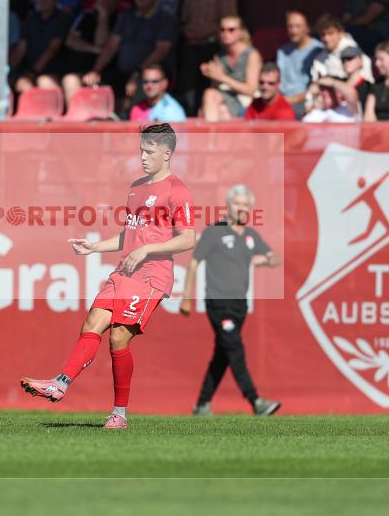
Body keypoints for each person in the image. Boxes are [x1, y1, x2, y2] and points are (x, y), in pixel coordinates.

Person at [20, 123, 196, 429]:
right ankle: (60, 383)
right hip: (125, 270)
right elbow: (130, 234)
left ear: (167, 154)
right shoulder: (136, 187)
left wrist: (147, 250)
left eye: (150, 151)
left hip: (151, 275)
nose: (143, 156)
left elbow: (187, 239)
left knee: (117, 337)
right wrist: (94, 247)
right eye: (141, 150)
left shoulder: (177, 191)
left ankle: (120, 414)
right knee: (92, 322)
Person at [180, 184, 282, 417]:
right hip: (218, 302)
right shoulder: (214, 232)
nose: (242, 208)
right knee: (235, 348)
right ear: (228, 205)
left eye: (246, 205)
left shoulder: (250, 236)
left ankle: (202, 404)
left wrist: (263, 260)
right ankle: (256, 401)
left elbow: (274, 258)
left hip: (239, 305)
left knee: (223, 354)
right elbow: (194, 262)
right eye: (238, 203)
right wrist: (187, 296)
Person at [83, 0, 177, 116]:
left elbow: (161, 50)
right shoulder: (126, 17)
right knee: (95, 88)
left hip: (149, 75)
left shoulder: (165, 19)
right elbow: (111, 46)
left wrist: (138, 73)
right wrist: (96, 70)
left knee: (133, 98)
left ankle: (127, 126)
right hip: (123, 73)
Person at [178, 0, 238, 112]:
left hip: (212, 45)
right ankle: (188, 105)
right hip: (191, 44)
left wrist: (201, 35)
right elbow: (184, 18)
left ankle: (200, 107)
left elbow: (230, 23)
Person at [61, 0, 121, 101]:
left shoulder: (121, 18)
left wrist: (103, 16)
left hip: (106, 71)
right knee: (70, 80)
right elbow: (70, 40)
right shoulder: (86, 15)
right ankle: (77, 120)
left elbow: (102, 43)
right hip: (80, 68)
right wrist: (94, 49)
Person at [10, 0, 73, 93]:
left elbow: (52, 49)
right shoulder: (30, 18)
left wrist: (32, 72)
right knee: (16, 82)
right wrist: (8, 70)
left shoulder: (63, 19)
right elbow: (21, 48)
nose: (42, 0)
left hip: (54, 73)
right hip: (29, 70)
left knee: (40, 82)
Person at [201, 15, 263, 121]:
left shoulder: (251, 55)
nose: (226, 33)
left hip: (248, 103)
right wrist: (211, 74)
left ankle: (211, 136)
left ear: (241, 32)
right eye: (222, 30)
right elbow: (217, 89)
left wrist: (222, 77)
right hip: (225, 102)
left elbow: (251, 90)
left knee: (213, 100)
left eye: (231, 30)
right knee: (214, 101)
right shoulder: (219, 56)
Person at [277, 11, 323, 118]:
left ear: (307, 28)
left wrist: (291, 100)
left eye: (297, 26)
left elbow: (317, 86)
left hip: (304, 101)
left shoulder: (317, 50)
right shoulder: (282, 51)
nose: (293, 30)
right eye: (290, 26)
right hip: (281, 99)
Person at [310, 13, 374, 84]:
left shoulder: (355, 55)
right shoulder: (319, 58)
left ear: (341, 32)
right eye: (323, 34)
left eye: (330, 33)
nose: (326, 38)